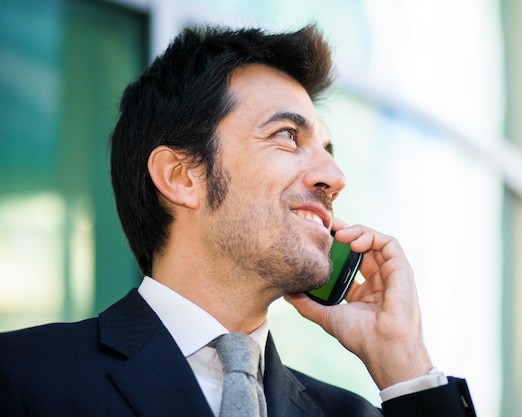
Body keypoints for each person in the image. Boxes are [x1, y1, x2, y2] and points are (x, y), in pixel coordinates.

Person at [0, 24, 476, 416]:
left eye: (328, 152)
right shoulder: (21, 379)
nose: (335, 177)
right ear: (181, 176)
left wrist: (406, 366)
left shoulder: (353, 413)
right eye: (288, 136)